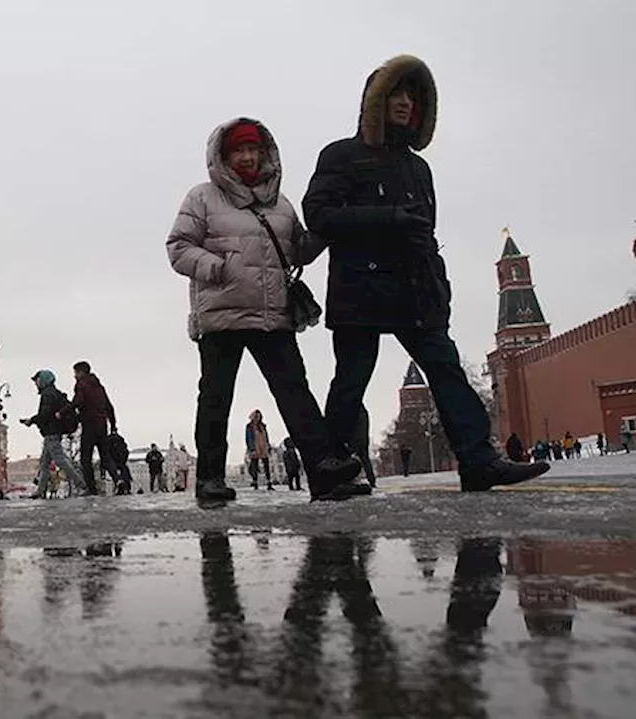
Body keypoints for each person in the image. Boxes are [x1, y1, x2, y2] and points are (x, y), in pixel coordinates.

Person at [302, 54, 549, 492]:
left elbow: (425, 233)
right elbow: (318, 215)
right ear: (374, 103)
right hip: (361, 285)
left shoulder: (418, 168)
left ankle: (478, 461)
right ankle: (331, 470)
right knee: (353, 379)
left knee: (447, 368)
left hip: (414, 289)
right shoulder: (342, 155)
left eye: (412, 96)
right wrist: (388, 217)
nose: (404, 103)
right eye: (395, 94)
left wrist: (439, 285)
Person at [167, 116, 366, 506]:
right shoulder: (202, 197)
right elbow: (178, 247)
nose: (246, 157)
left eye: (253, 149)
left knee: (295, 392)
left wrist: (326, 230)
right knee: (215, 397)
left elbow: (297, 251)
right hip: (221, 314)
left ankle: (322, 469)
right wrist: (217, 268)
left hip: (272, 314)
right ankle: (209, 478)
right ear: (223, 158)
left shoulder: (282, 203)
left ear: (265, 154)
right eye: (238, 150)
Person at [21, 370, 87, 499]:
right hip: (51, 433)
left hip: (51, 432)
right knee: (44, 464)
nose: (35, 383)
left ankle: (82, 484)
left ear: (44, 380)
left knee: (60, 460)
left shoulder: (48, 395)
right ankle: (40, 491)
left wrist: (32, 420)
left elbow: (45, 415)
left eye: (37, 380)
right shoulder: (54, 393)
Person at [65, 360, 118, 496]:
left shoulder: (81, 384)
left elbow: (78, 401)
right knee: (105, 457)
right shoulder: (99, 386)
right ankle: (118, 481)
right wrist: (113, 424)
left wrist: (64, 411)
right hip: (102, 425)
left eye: (75, 373)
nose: (74, 376)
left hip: (89, 425)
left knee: (85, 459)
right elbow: (109, 405)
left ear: (81, 372)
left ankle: (91, 489)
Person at [244, 410, 274, 490]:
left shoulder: (263, 426)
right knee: (254, 465)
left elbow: (266, 436)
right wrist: (251, 448)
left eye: (259, 416)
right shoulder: (249, 426)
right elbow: (248, 438)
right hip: (255, 447)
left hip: (263, 446)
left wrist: (268, 445)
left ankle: (269, 482)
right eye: (256, 416)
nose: (258, 418)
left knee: (266, 464)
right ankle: (255, 482)